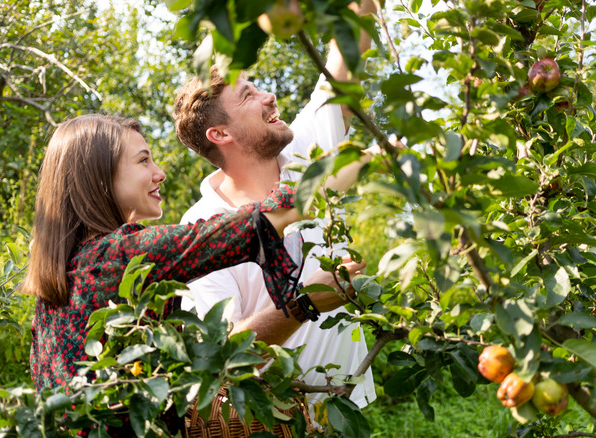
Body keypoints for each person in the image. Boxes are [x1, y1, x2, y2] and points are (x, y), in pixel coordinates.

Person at [20, 114, 359, 395]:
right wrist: (368, 162)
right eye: (143, 160)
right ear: (100, 178)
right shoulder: (122, 256)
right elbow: (265, 220)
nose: (159, 173)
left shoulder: (62, 274)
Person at [172, 0, 378, 416]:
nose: (270, 96)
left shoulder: (303, 154)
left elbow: (350, 47)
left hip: (348, 405)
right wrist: (306, 301)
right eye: (249, 95)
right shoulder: (201, 227)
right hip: (276, 422)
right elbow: (227, 351)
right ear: (220, 133)